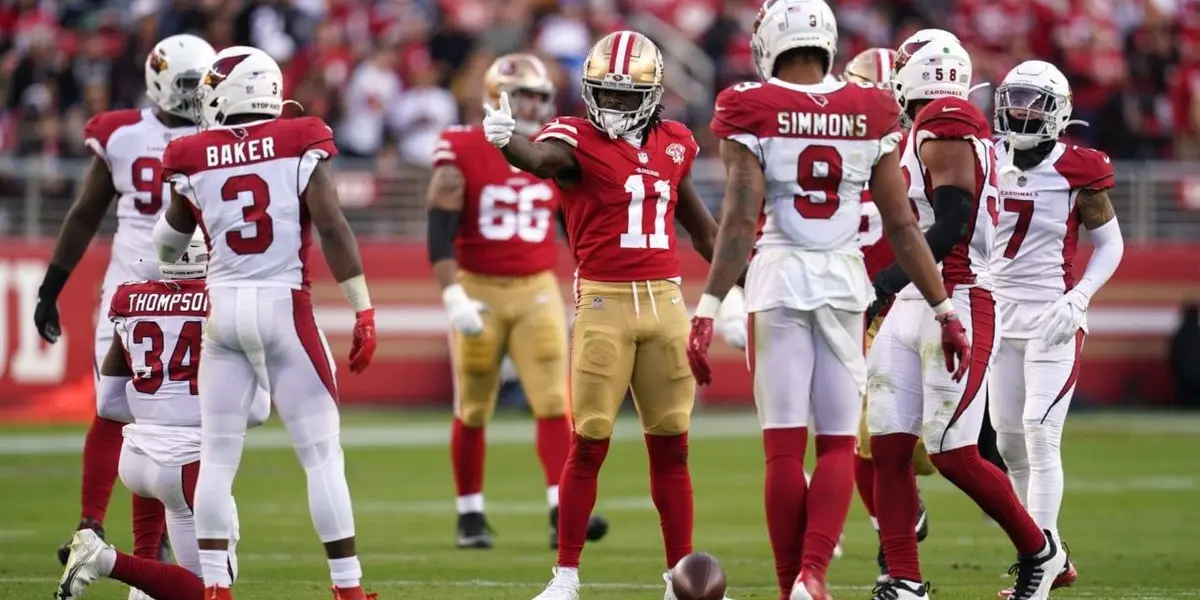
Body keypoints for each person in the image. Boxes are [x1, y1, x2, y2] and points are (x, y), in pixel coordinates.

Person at [685, 4, 971, 599]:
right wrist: (945, 309)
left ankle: (793, 581)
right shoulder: (872, 107)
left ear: (768, 40)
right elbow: (903, 225)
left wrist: (708, 308)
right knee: (839, 444)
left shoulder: (748, 104)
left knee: (783, 448)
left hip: (777, 277)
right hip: (845, 283)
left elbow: (738, 220)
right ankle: (814, 576)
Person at [482, 30, 723, 600]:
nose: (611, 105)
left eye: (623, 95)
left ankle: (678, 576)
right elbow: (539, 158)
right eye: (603, 93)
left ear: (653, 92)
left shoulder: (677, 142)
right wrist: (507, 140)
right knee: (589, 441)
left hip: (666, 303)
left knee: (673, 444)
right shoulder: (573, 139)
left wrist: (736, 291)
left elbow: (701, 228)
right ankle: (566, 576)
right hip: (604, 301)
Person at [153, 46, 379, 600]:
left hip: (222, 310)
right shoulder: (301, 136)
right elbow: (332, 225)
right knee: (322, 453)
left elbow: (168, 245)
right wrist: (363, 307)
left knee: (219, 453)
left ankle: (214, 588)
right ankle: (347, 589)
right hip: (284, 307)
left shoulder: (190, 152)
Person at [865, 31, 1067, 600]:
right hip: (919, 300)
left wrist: (884, 282)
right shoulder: (929, 125)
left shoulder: (948, 119)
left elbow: (951, 222)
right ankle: (903, 576)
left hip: (954, 296)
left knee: (952, 451)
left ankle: (1041, 550)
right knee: (888, 447)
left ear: (918, 73)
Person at [33, 34, 216, 567]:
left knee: (164, 420)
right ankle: (94, 524)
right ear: (159, 79)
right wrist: (50, 288)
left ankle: (146, 540)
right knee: (122, 411)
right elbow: (86, 213)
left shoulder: (216, 133)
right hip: (135, 295)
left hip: (193, 291)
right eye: (187, 83)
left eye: (200, 84)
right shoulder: (123, 134)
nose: (193, 94)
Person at [426, 52, 607, 550]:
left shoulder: (551, 148)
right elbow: (438, 229)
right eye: (523, 94)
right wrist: (452, 292)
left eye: (539, 95)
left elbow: (576, 222)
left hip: (536, 288)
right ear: (495, 94)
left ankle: (559, 509)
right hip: (479, 286)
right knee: (475, 406)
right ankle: (469, 515)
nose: (533, 104)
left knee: (554, 401)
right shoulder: (461, 145)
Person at [55, 237, 269, 600]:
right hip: (187, 465)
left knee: (152, 569)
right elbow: (259, 411)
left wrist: (157, 415)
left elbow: (107, 404)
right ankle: (102, 559)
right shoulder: (226, 305)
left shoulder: (131, 300)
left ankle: (138, 589)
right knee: (209, 589)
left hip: (137, 458)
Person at [990, 59, 1124, 597]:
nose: (1021, 110)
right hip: (996, 314)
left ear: (1059, 110)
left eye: (1034, 101)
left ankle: (1036, 571)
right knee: (1008, 443)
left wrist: (1080, 296)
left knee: (1040, 433)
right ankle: (1049, 551)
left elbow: (1110, 243)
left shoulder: (1078, 168)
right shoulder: (985, 155)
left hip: (1051, 316)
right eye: (1014, 98)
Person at [842, 45, 935, 585]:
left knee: (942, 442)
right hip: (845, 299)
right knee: (858, 434)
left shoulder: (922, 147)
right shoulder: (829, 140)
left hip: (907, 297)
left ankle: (1038, 535)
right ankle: (891, 540)